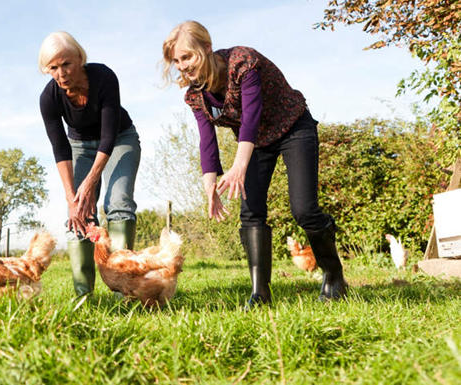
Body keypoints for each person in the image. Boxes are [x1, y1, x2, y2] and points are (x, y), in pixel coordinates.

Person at [161, 20, 347, 307]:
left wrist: (238, 167)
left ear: (207, 48)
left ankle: (334, 276)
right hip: (257, 143)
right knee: (251, 213)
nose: (182, 66)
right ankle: (260, 294)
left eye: (187, 57)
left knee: (304, 210)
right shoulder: (195, 95)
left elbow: (251, 117)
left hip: (293, 127)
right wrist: (209, 185)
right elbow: (206, 140)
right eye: (176, 61)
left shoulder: (242, 63)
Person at [38, 31, 141, 296]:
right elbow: (60, 148)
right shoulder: (49, 98)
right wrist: (72, 197)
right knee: (78, 212)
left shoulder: (104, 77)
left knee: (118, 202)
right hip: (79, 148)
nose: (61, 73)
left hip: (119, 140)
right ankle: (84, 295)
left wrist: (90, 183)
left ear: (79, 58)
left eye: (66, 64)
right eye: (53, 67)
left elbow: (108, 136)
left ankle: (123, 292)